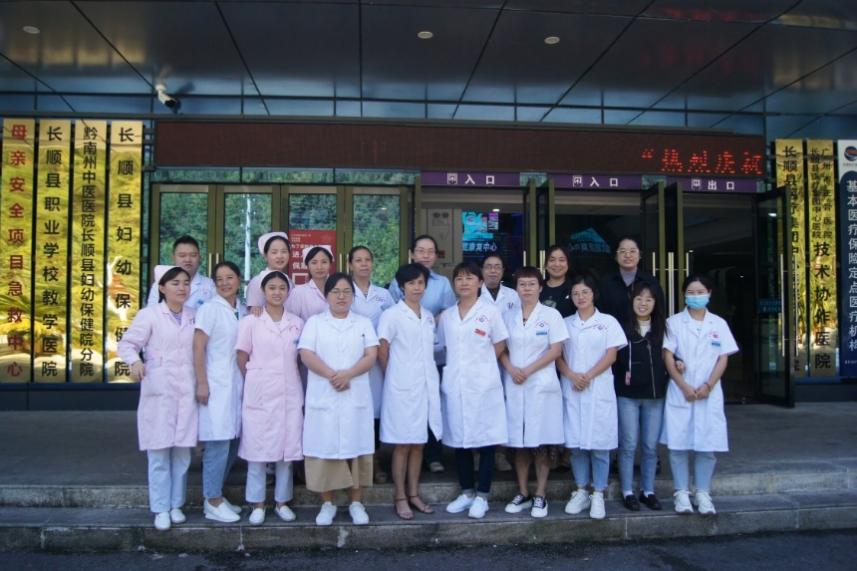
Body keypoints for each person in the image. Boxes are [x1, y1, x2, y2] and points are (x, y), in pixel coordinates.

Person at [119, 265, 197, 531]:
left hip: (186, 389)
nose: (182, 288)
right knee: (159, 452)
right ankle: (161, 508)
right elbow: (127, 344)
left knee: (183, 452)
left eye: (185, 283)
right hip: (159, 388)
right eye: (175, 283)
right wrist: (134, 362)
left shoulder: (194, 316)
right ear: (162, 288)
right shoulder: (150, 315)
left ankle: (176, 505)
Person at [299, 273, 380, 526]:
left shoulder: (363, 323)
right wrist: (333, 376)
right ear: (327, 296)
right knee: (325, 448)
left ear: (353, 296)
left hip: (354, 394)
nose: (341, 296)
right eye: (336, 291)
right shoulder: (315, 322)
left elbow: (371, 355)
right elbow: (306, 354)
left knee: (356, 449)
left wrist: (349, 374)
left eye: (347, 292)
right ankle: (327, 503)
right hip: (325, 394)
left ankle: (356, 502)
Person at [662, 273, 738, 516]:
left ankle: (703, 492)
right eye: (691, 293)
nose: (695, 296)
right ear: (684, 295)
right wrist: (683, 385)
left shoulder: (719, 324)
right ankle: (681, 493)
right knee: (678, 445)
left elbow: (723, 357)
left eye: (700, 292)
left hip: (709, 392)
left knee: (707, 445)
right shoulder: (673, 322)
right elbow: (668, 356)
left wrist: (708, 385)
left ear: (709, 294)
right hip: (681, 391)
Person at [438, 262, 509, 519]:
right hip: (456, 385)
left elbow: (500, 344)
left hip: (483, 385)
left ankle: (483, 496)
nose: (464, 283)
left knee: (486, 440)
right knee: (460, 441)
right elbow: (443, 346)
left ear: (479, 282)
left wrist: (481, 366)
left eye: (469, 278)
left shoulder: (490, 312)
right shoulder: (447, 316)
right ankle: (466, 492)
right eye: (459, 278)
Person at [235, 270, 304, 525]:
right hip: (260, 392)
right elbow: (241, 356)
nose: (277, 292)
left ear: (288, 292)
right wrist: (257, 379)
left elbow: (301, 357)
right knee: (257, 450)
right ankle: (257, 504)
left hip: (289, 391)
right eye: (272, 288)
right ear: (263, 292)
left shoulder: (297, 322)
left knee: (286, 450)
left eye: (281, 288)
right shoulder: (250, 322)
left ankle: (282, 502)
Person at [499, 266, 567, 518]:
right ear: (516, 288)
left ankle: (540, 493)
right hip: (515, 383)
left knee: (540, 442)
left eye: (531, 284)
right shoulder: (508, 316)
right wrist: (511, 369)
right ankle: (522, 492)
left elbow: (555, 351)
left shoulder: (551, 315)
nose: (526, 289)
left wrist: (526, 370)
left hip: (540, 384)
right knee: (519, 443)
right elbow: (501, 348)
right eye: (522, 284)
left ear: (540, 288)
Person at [558, 275, 627, 520]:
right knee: (576, 446)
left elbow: (611, 355)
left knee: (599, 446)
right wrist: (571, 375)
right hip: (572, 388)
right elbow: (557, 356)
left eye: (585, 292)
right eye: (576, 293)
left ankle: (598, 493)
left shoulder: (608, 322)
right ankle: (581, 490)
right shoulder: (565, 323)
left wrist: (587, 376)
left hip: (598, 388)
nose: (580, 297)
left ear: (593, 294)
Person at [378, 263, 442, 519]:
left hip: (424, 387)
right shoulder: (392, 315)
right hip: (400, 387)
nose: (416, 288)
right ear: (401, 287)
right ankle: (400, 496)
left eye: (420, 283)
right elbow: (383, 349)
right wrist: (394, 376)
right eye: (411, 283)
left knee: (418, 444)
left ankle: (414, 493)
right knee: (402, 444)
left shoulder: (427, 316)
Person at [388, 234, 456, 473]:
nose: (425, 255)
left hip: (433, 354)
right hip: (405, 359)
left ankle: (433, 455)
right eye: (421, 250)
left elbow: (449, 312)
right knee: (409, 410)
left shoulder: (442, 283)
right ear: (412, 254)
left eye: (430, 251)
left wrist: (430, 322)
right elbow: (394, 313)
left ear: (436, 256)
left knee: (433, 405)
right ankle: (406, 455)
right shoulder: (399, 280)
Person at [193, 261, 247, 523]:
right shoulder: (209, 309)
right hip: (216, 383)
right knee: (217, 442)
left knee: (233, 440)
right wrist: (202, 382)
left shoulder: (243, 310)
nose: (225, 283)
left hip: (238, 384)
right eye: (219, 279)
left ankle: (217, 495)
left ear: (239, 279)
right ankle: (211, 499)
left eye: (230, 277)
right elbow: (198, 348)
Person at [612, 282, 669, 512]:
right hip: (627, 395)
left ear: (655, 303)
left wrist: (678, 363)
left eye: (648, 299)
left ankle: (648, 491)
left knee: (650, 446)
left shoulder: (664, 329)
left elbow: (672, 355)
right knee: (627, 444)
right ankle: (627, 491)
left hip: (654, 396)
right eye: (639, 299)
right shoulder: (620, 328)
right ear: (631, 301)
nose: (643, 303)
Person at [348, 246, 395, 484]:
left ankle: (374, 461)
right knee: (353, 409)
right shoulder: (344, 291)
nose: (364, 264)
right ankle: (353, 461)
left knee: (375, 409)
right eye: (358, 260)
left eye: (368, 260)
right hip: (352, 360)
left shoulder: (384, 295)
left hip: (377, 362)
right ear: (350, 265)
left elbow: (393, 324)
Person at [481, 254, 520, 473]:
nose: (493, 271)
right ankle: (479, 452)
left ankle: (502, 453)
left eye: (497, 267)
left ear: (503, 271)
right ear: (482, 271)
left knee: (504, 406)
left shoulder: (513, 295)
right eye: (488, 267)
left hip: (509, 358)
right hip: (481, 359)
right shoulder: (474, 294)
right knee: (482, 405)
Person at [597, 236, 664, 326]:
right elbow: (600, 313)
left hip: (643, 332)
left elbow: (659, 313)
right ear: (616, 256)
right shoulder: (605, 283)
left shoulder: (651, 281)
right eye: (622, 251)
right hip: (612, 332)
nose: (628, 255)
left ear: (640, 255)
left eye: (632, 251)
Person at [147, 235, 215, 310]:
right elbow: (151, 311)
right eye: (182, 255)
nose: (187, 260)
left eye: (193, 255)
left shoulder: (210, 285)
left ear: (199, 258)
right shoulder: (161, 284)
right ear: (173, 258)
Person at [245, 232, 293, 310]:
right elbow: (253, 313)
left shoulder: (289, 281)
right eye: (274, 252)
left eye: (284, 251)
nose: (280, 256)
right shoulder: (257, 282)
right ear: (265, 256)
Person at [285, 246, 332, 322]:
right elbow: (289, 320)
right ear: (307, 266)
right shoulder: (298, 292)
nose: (319, 267)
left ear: (330, 264)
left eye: (324, 262)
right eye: (314, 262)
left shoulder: (338, 290)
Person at [539, 245, 575, 318]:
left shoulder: (575, 289)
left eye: (561, 260)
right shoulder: (537, 288)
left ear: (568, 264)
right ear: (545, 264)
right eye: (552, 260)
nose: (557, 264)